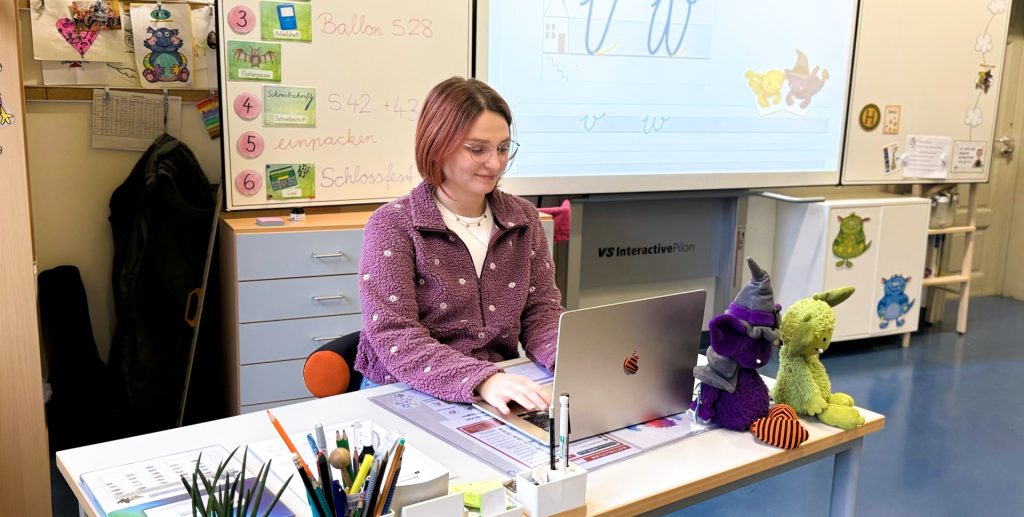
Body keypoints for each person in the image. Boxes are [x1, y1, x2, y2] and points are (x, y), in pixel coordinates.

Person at [355, 77, 563, 414]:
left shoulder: (523, 218)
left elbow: (542, 312)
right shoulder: (393, 224)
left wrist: (567, 361)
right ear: (438, 145)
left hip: (498, 387)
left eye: (503, 148)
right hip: (407, 389)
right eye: (477, 149)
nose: (495, 163)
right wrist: (482, 379)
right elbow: (395, 333)